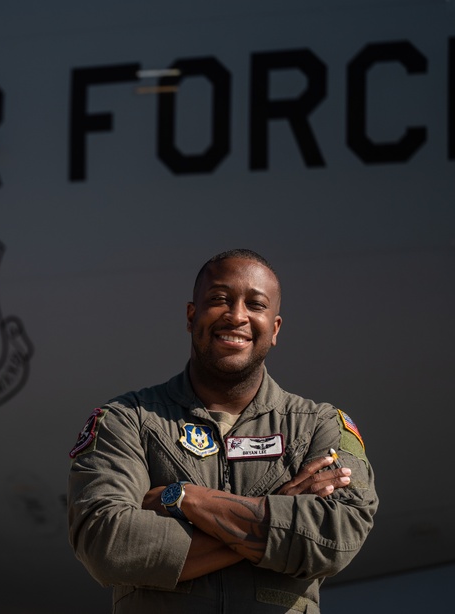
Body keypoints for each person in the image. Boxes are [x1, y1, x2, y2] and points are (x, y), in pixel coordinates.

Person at [67, 249, 377, 613]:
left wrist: (184, 498)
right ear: (190, 315)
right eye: (219, 300)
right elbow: (108, 544)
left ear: (274, 328)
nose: (237, 316)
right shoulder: (127, 420)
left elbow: (337, 535)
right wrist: (283, 516)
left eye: (256, 305)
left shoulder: (319, 425)